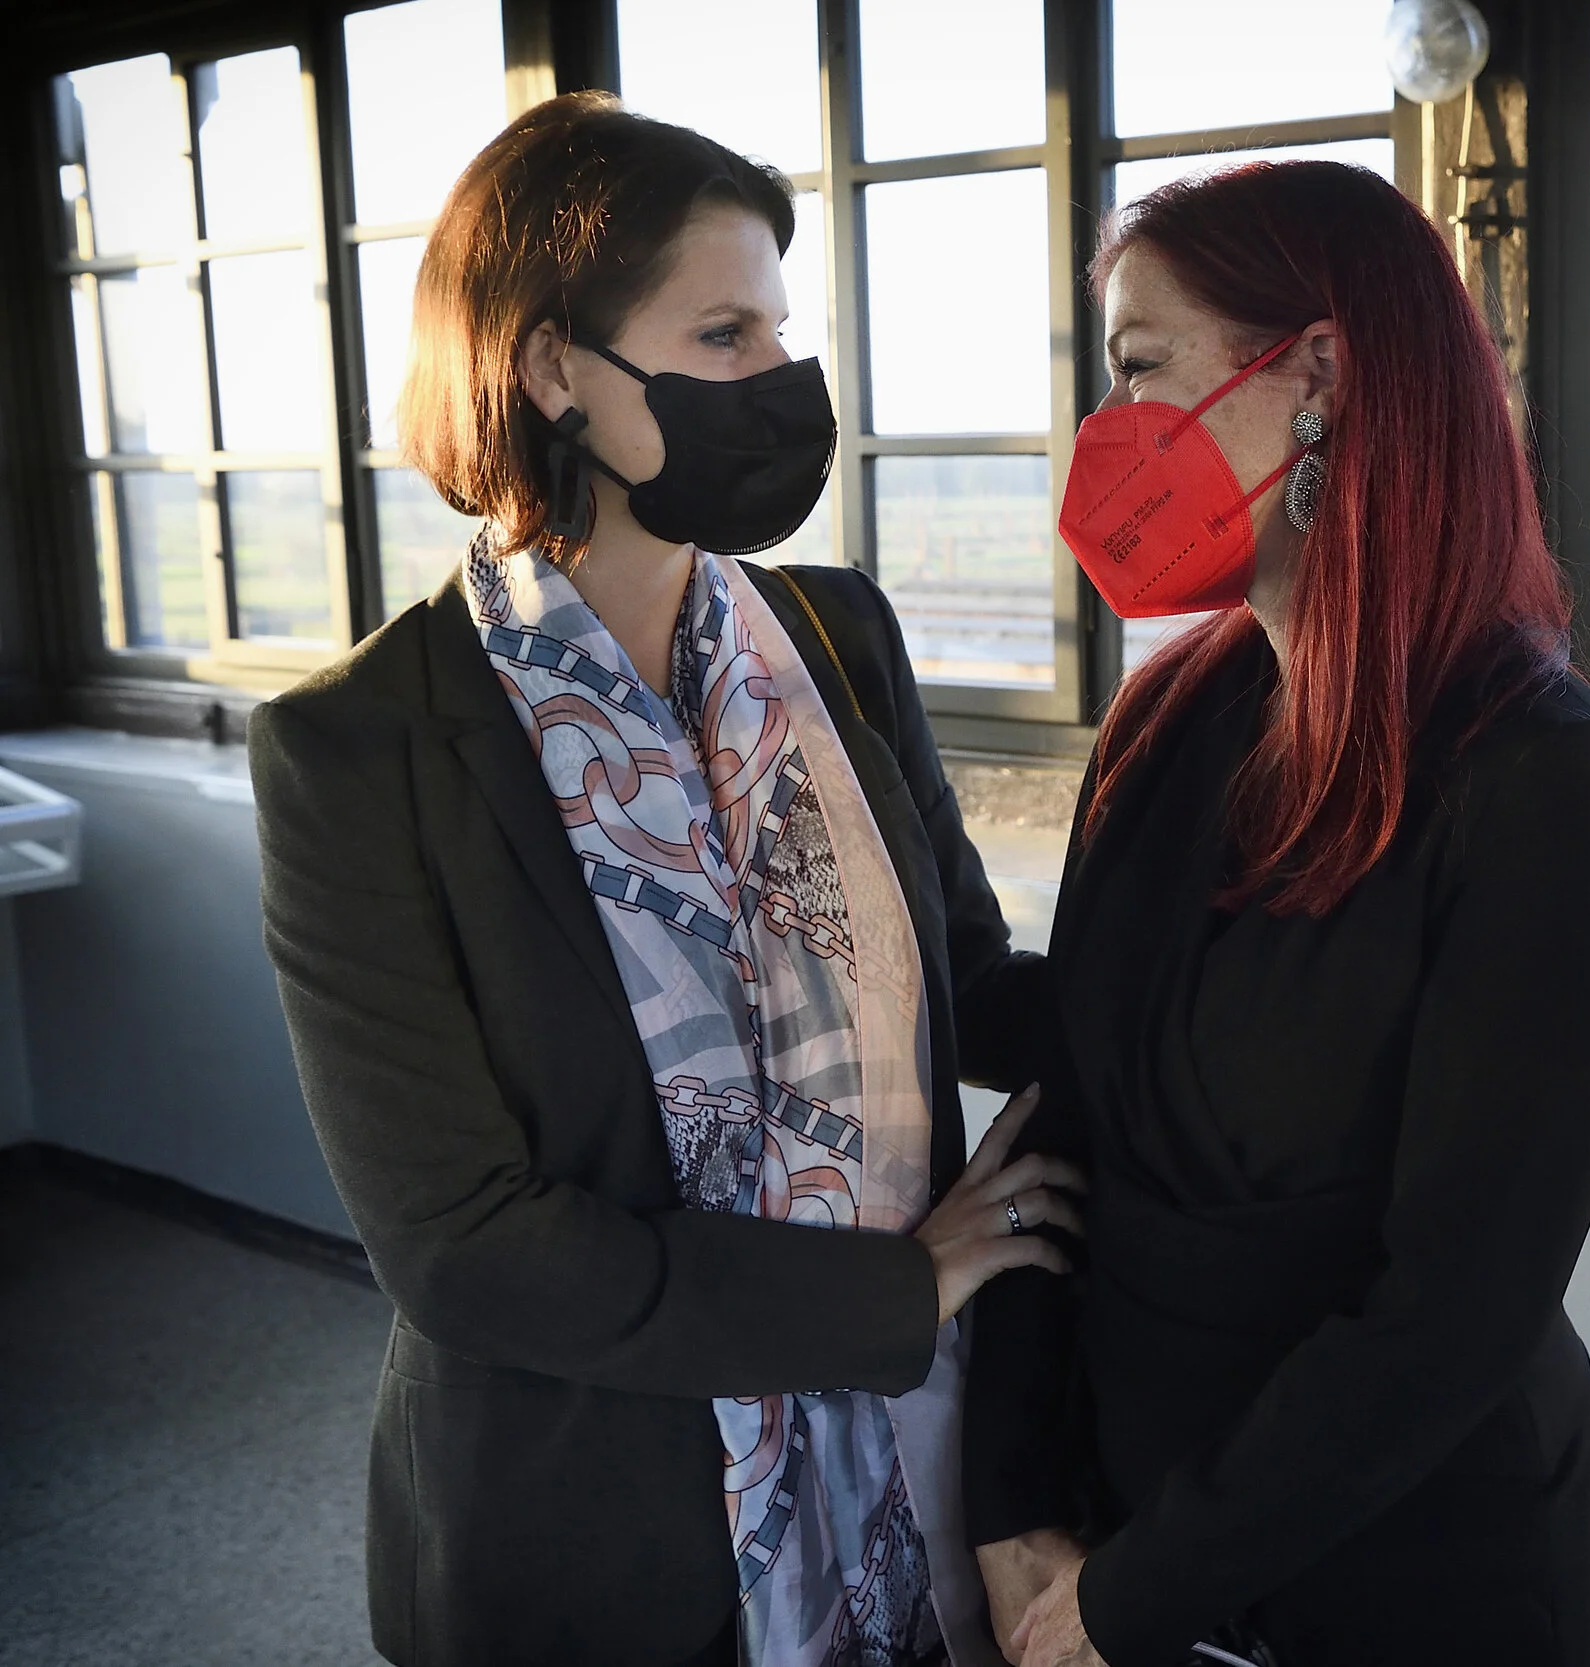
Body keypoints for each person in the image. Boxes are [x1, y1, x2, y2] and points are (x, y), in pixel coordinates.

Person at [250, 93, 1077, 1667]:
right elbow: (465, 1244)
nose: (782, 381)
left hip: (908, 1465)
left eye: (781, 331)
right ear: (553, 368)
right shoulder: (361, 749)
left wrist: (1236, 981)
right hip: (592, 1529)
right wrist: (898, 1288)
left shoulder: (838, 639)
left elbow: (965, 984)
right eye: (723, 335)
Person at [962, 161, 1590, 1667]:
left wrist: (1133, 1597)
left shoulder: (1550, 784)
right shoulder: (1162, 726)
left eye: (1143, 367)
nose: (1112, 430)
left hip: (1404, 1565)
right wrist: (1012, 1502)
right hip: (1110, 1530)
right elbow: (1062, 1122)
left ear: (1321, 378)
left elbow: (1456, 1312)